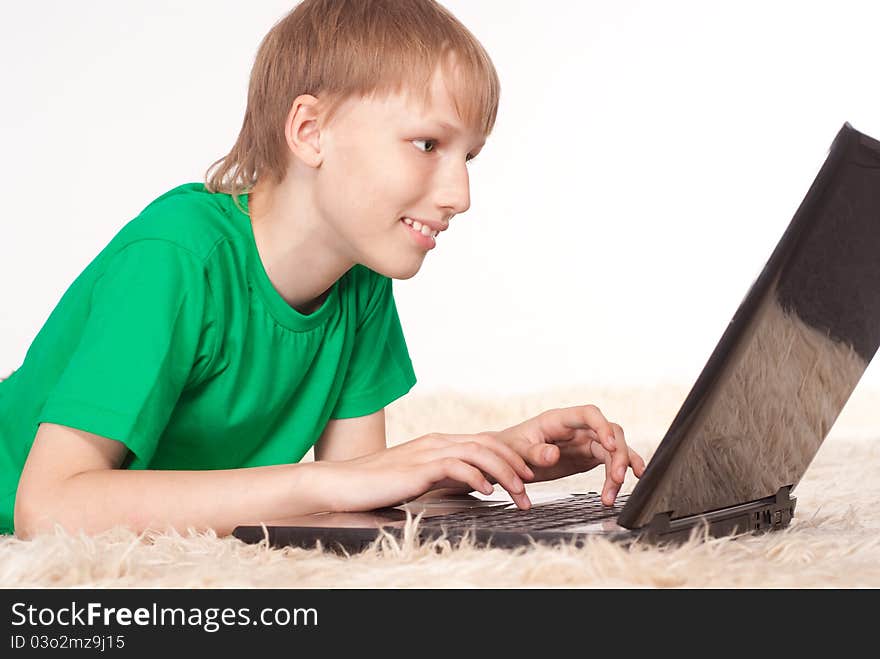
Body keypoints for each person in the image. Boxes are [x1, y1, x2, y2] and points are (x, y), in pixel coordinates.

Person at [0, 0, 645, 540]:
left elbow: (360, 486)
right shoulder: (175, 259)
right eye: (428, 144)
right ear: (310, 131)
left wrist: (500, 454)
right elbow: (48, 507)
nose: (461, 194)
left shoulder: (360, 280)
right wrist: (317, 482)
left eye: (468, 156)